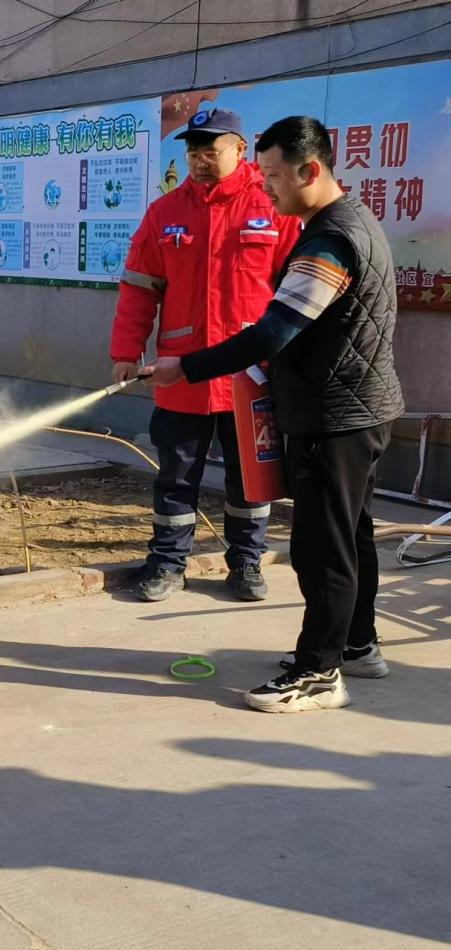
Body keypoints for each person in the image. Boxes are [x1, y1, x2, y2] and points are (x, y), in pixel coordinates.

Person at [146, 115, 404, 713]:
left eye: (274, 176)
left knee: (322, 547)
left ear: (311, 171)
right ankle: (357, 644)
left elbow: (272, 333)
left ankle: (318, 673)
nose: (266, 189)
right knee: (353, 536)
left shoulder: (331, 239)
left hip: (334, 416)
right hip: (359, 410)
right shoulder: (352, 221)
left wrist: (184, 366)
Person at [111, 107, 301, 603]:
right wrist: (126, 351)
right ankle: (168, 563)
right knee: (175, 476)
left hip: (250, 374)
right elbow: (138, 289)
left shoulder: (273, 207)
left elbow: (297, 293)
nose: (200, 160)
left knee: (251, 478)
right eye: (193, 151)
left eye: (211, 150)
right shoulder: (165, 213)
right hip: (183, 375)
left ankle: (246, 564)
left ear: (241, 150)